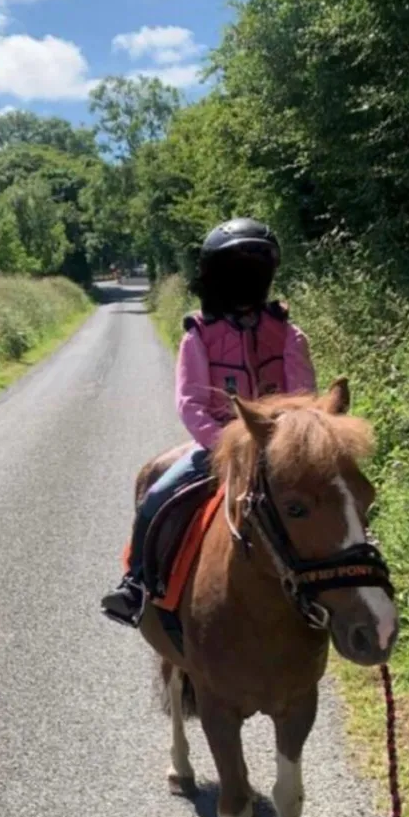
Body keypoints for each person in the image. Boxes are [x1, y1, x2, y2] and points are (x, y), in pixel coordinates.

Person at [101, 217, 317, 626]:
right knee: (156, 496)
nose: (244, 280)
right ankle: (136, 584)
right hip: (217, 447)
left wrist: (280, 446)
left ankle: (347, 585)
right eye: (235, 271)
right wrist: (229, 446)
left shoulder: (288, 333)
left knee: (333, 496)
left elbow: (303, 397)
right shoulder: (198, 335)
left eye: (252, 271)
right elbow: (190, 403)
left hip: (280, 449)